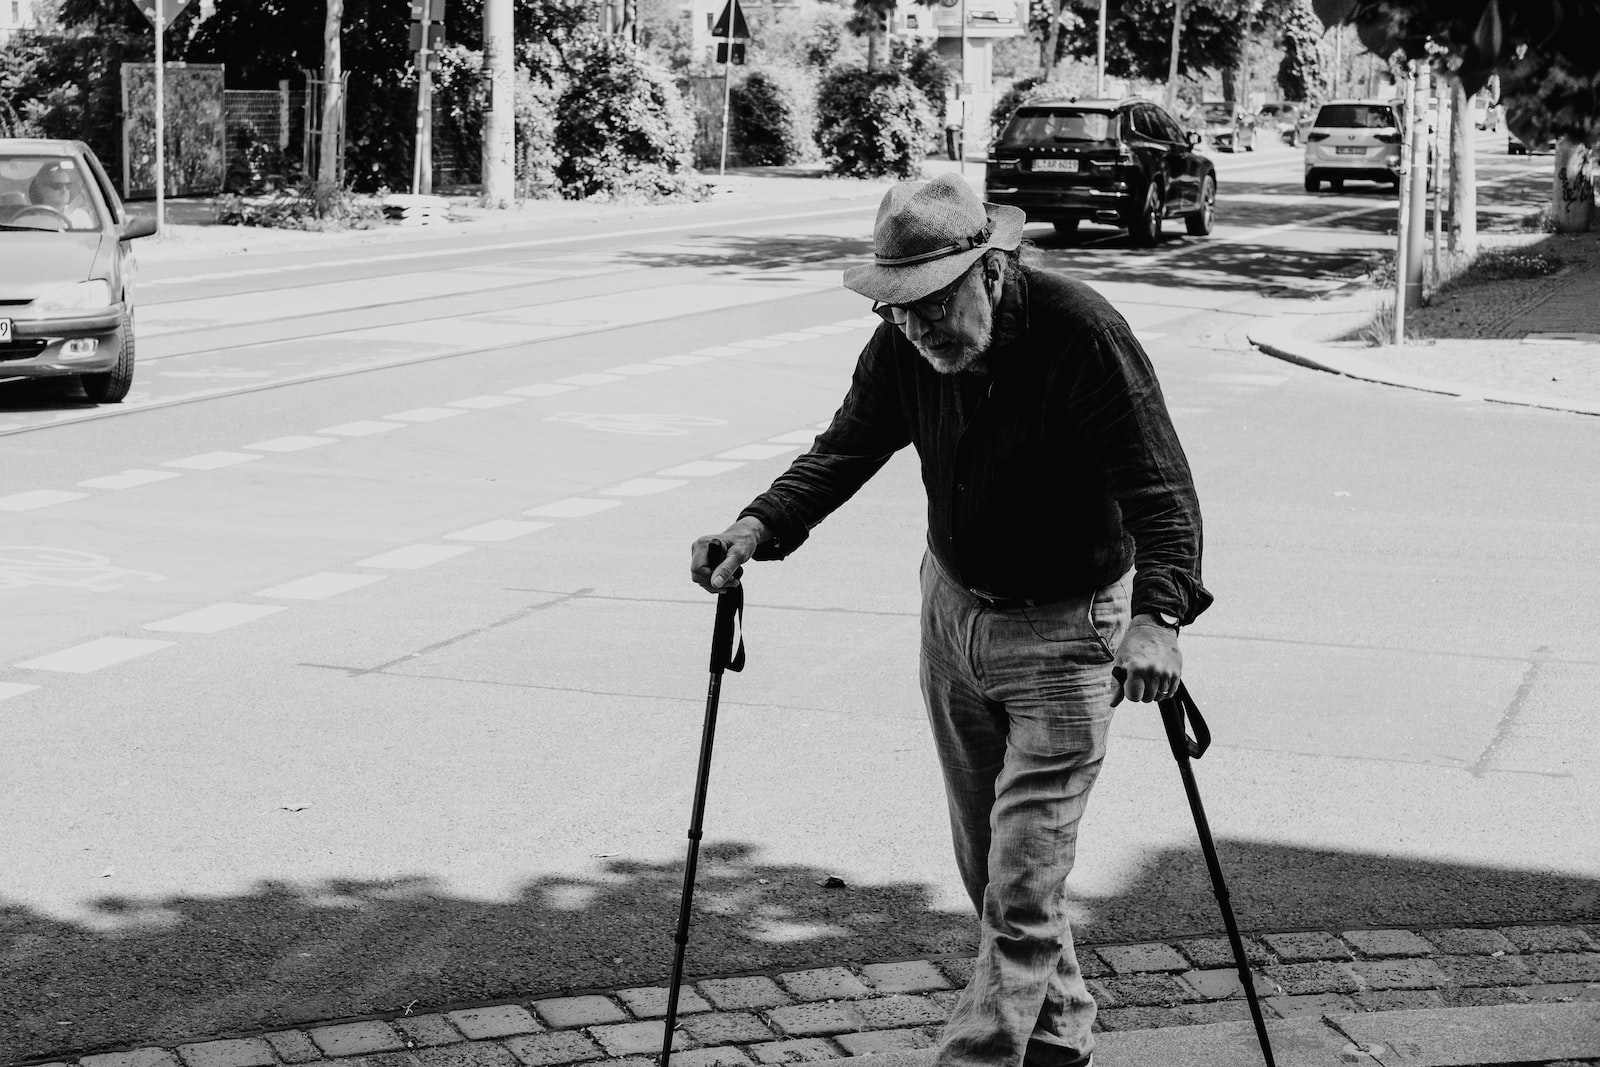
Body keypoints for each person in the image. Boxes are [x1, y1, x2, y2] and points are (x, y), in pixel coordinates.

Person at [689, 173, 1212, 1067]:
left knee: (1019, 880)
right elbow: (847, 444)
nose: (914, 323)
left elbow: (1164, 499)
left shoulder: (1082, 334)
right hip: (953, 612)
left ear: (994, 270)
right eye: (897, 305)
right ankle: (1060, 1032)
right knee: (990, 864)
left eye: (930, 303)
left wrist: (1158, 618)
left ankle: (979, 1058)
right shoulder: (903, 341)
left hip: (1068, 631)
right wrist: (759, 525)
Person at [28, 162, 95, 228]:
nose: (64, 190)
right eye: (57, 186)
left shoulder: (80, 217)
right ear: (41, 188)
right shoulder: (28, 219)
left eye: (68, 185)